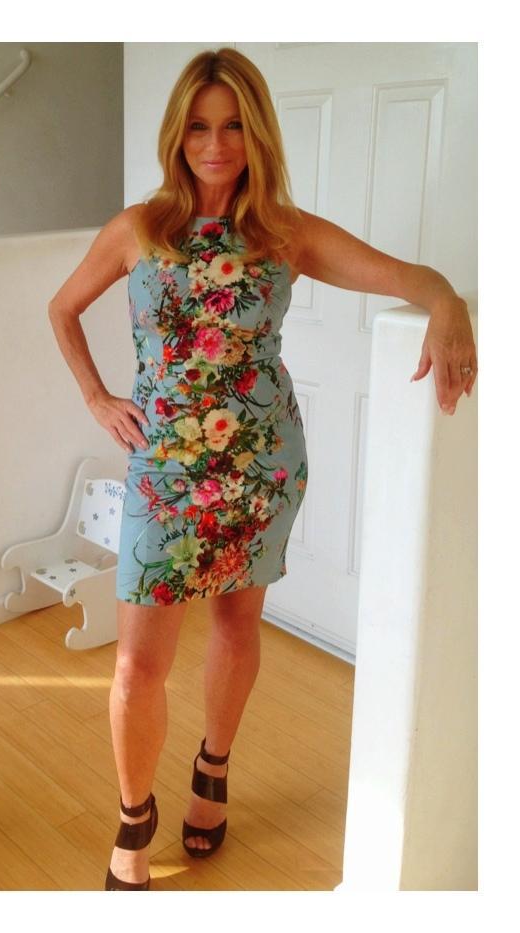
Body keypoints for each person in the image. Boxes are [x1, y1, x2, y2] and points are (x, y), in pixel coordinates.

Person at [47, 47, 476, 891]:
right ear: (177, 135)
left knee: (237, 627)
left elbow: (410, 277)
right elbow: (62, 308)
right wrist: (97, 397)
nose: (216, 145)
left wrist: (449, 302)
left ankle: (213, 766)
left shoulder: (284, 232)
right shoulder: (137, 230)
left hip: (260, 466)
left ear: (258, 134)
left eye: (234, 126)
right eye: (199, 127)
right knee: (137, 665)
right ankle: (135, 815)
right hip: (163, 471)